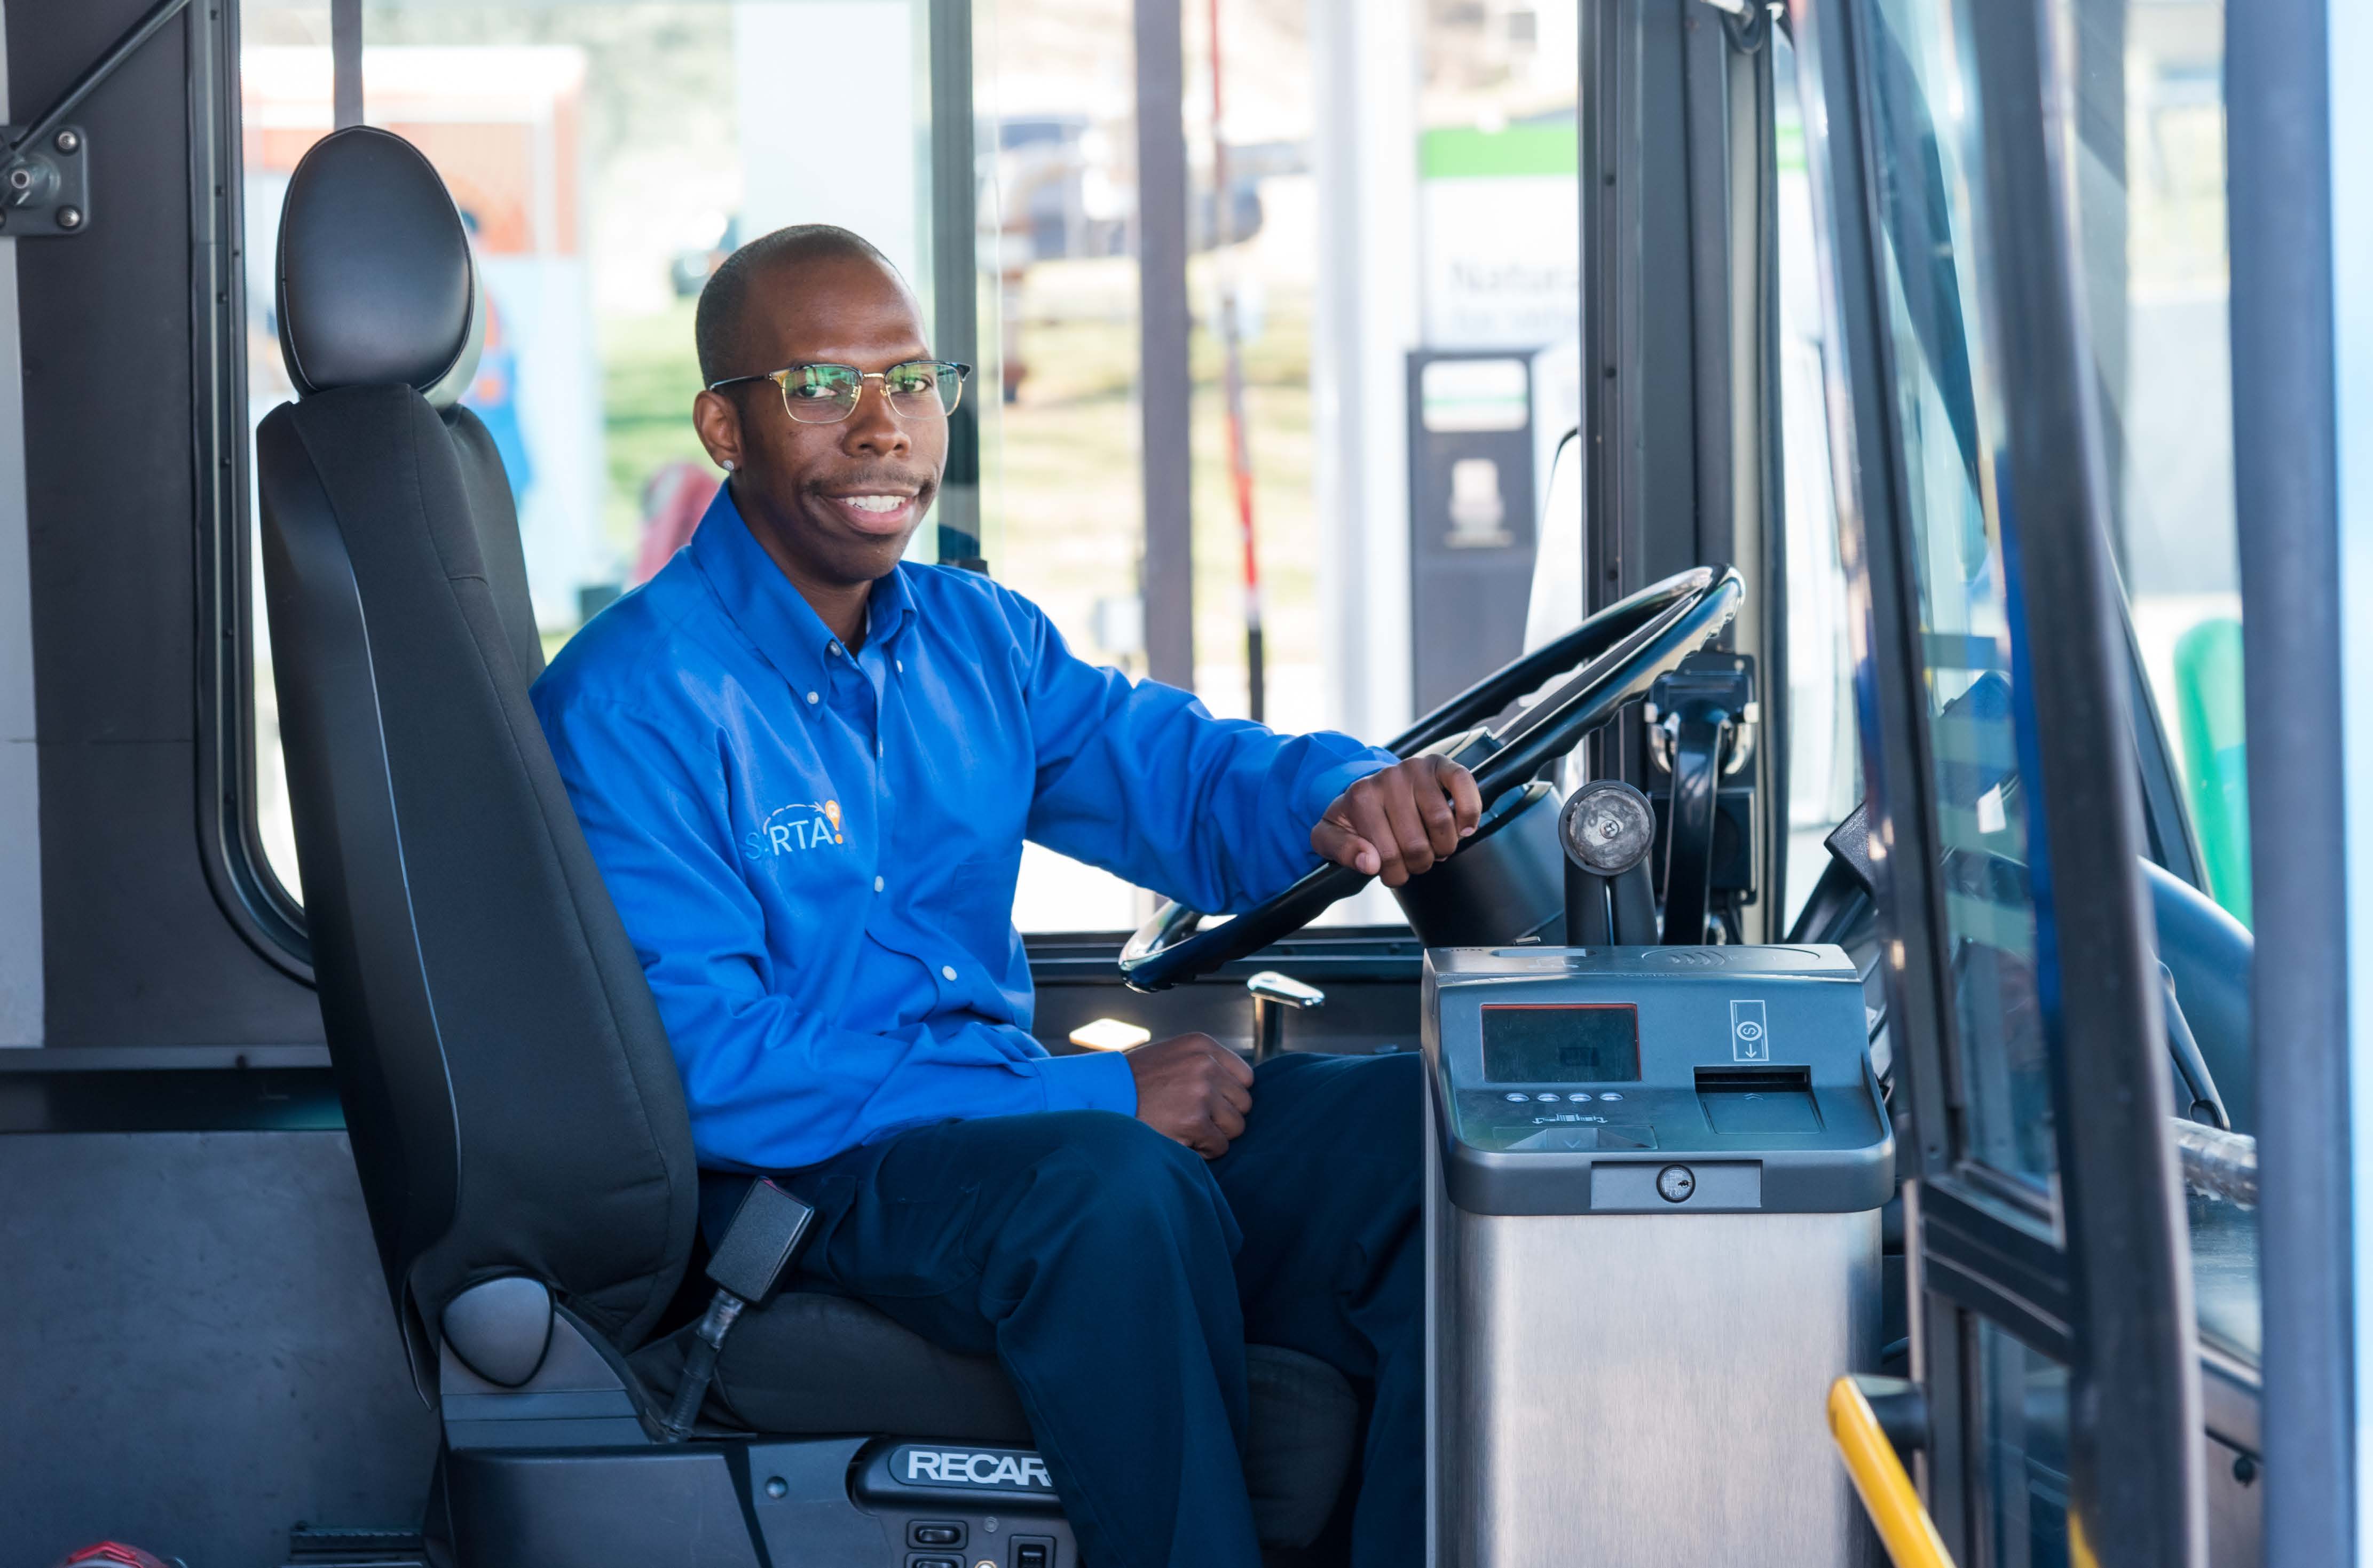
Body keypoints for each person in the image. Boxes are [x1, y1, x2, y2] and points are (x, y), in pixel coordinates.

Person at [530, 224, 1480, 1568]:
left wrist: (1346, 791)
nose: (881, 429)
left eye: (911, 381)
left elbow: (1188, 779)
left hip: (995, 1125)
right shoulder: (634, 701)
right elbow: (711, 1069)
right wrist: (1090, 1094)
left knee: (1425, 1131)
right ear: (723, 429)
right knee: (1109, 1183)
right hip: (809, 1183)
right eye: (820, 387)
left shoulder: (979, 637)